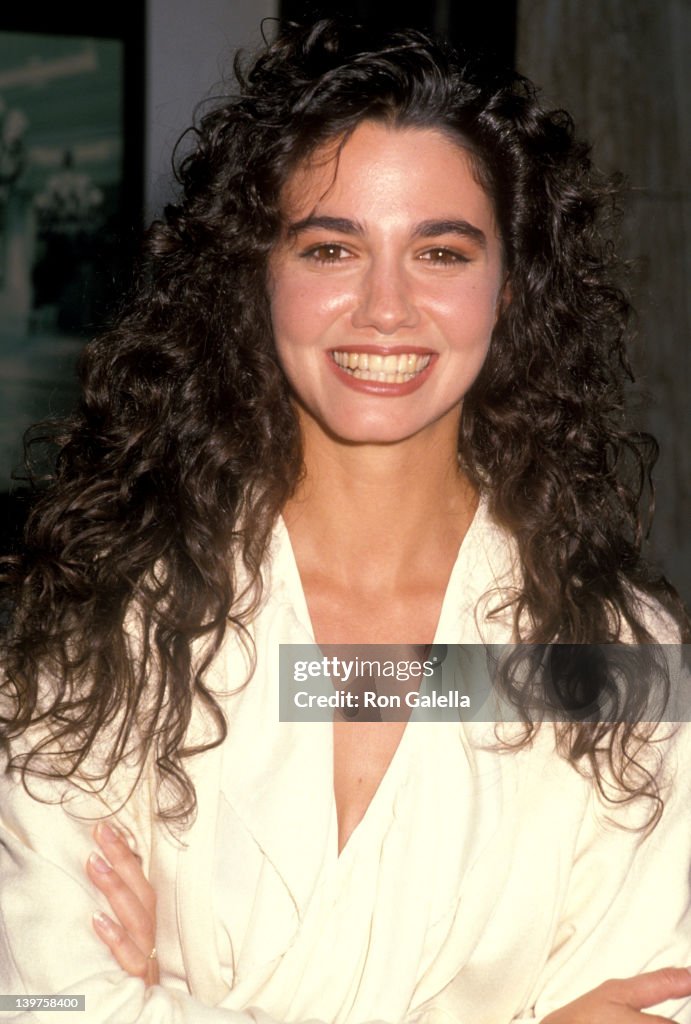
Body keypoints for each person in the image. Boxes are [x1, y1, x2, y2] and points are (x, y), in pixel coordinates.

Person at [1, 17, 690, 1024]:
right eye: (331, 248)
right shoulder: (108, 620)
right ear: (256, 276)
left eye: (440, 252)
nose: (385, 307)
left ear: (509, 288)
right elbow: (44, 1003)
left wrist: (159, 1002)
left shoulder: (610, 659)